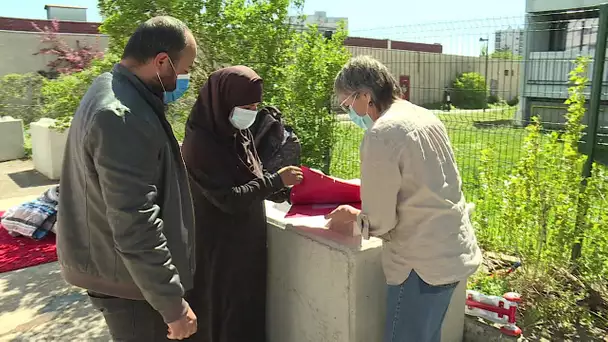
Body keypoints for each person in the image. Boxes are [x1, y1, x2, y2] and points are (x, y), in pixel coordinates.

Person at [57, 16, 198, 341]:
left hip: (122, 273)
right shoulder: (122, 115)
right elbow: (135, 222)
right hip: (132, 286)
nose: (185, 79)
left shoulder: (112, 88)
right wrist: (172, 304)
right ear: (162, 61)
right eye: (185, 69)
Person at [326, 55, 482, 342]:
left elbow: (381, 222)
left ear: (365, 95)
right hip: (451, 251)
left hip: (419, 265)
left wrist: (352, 216)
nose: (348, 111)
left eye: (347, 104)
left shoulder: (381, 133)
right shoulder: (424, 115)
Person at [181, 66, 303, 342]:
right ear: (222, 101)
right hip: (219, 252)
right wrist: (275, 182)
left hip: (246, 248)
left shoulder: (237, 132)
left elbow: (252, 178)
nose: (250, 112)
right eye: (245, 106)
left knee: (247, 318)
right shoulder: (201, 143)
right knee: (224, 321)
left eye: (255, 105)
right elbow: (228, 199)